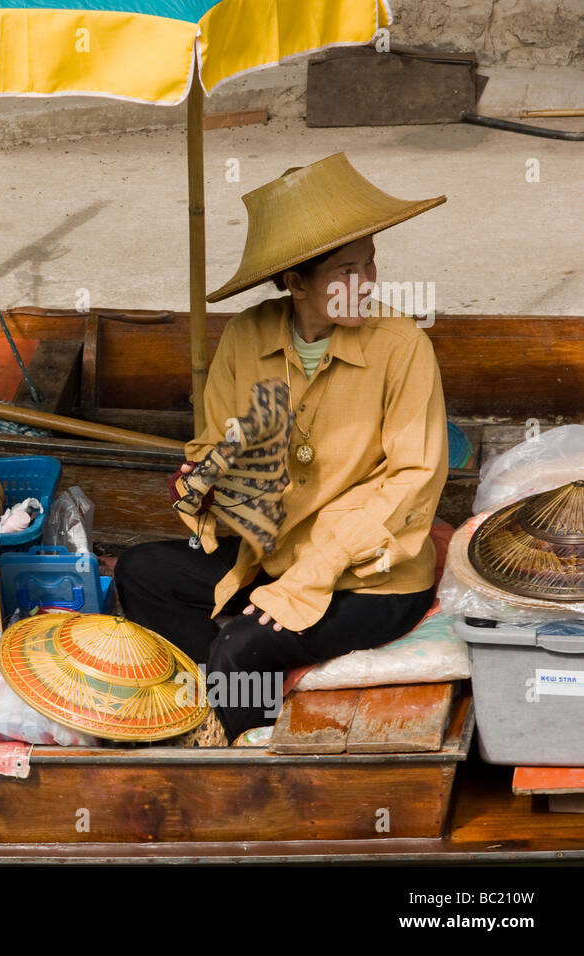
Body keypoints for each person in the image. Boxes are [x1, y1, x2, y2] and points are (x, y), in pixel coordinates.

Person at [115, 153, 450, 742]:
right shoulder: (248, 334)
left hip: (369, 576)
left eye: (370, 265)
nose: (366, 283)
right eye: (346, 272)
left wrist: (310, 577)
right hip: (272, 552)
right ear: (295, 282)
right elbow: (215, 440)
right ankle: (216, 697)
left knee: (243, 646)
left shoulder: (402, 347)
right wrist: (206, 480)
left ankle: (246, 741)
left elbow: (413, 481)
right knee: (142, 574)